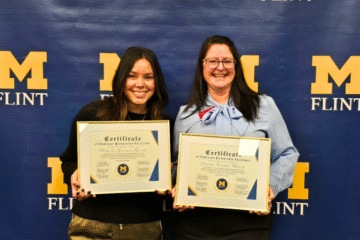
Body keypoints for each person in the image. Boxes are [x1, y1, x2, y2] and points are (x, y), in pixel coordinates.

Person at [172, 35, 299, 239]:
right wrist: (178, 184)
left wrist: (270, 186)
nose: (220, 67)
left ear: (236, 65)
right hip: (195, 224)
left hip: (249, 222)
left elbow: (287, 154)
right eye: (213, 61)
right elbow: (178, 164)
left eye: (227, 61)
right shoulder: (186, 115)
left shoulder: (263, 106)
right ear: (202, 66)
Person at [60, 46, 173, 240]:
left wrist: (170, 178)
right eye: (132, 76)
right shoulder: (93, 114)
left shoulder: (165, 125)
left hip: (143, 227)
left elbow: (172, 176)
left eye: (148, 77)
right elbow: (68, 161)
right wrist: (74, 175)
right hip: (92, 224)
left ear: (157, 82)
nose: (140, 84)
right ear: (121, 79)